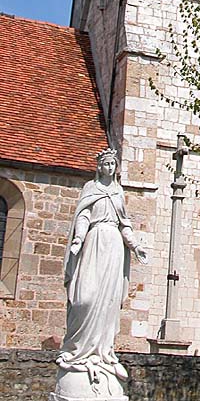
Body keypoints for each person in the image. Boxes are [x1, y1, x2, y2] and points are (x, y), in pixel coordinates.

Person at [57, 148, 147, 385]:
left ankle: (103, 352)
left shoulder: (118, 191)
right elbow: (83, 216)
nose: (109, 168)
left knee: (109, 302)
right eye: (106, 164)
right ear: (99, 167)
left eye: (112, 164)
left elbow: (124, 224)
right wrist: (78, 238)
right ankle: (76, 351)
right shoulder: (91, 188)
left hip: (114, 247)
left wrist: (136, 246)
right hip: (94, 241)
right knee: (84, 299)